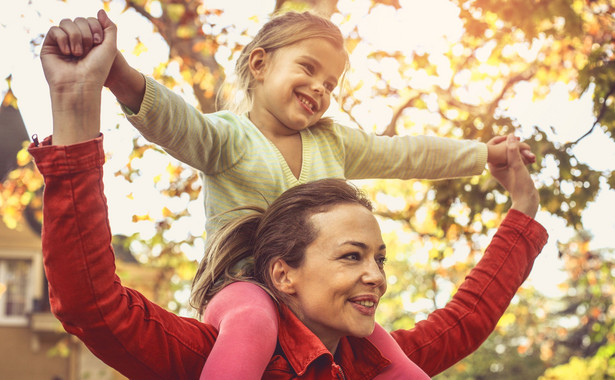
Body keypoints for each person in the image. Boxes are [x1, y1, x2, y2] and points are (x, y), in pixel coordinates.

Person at [39, 10, 543, 379]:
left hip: (311, 318)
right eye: (308, 69)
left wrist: (483, 156)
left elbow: (406, 154)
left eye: (331, 83)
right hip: (243, 293)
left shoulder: (333, 140)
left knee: (395, 359)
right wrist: (117, 77)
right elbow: (177, 123)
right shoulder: (228, 138)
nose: (321, 88)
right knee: (256, 322)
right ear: (259, 64)